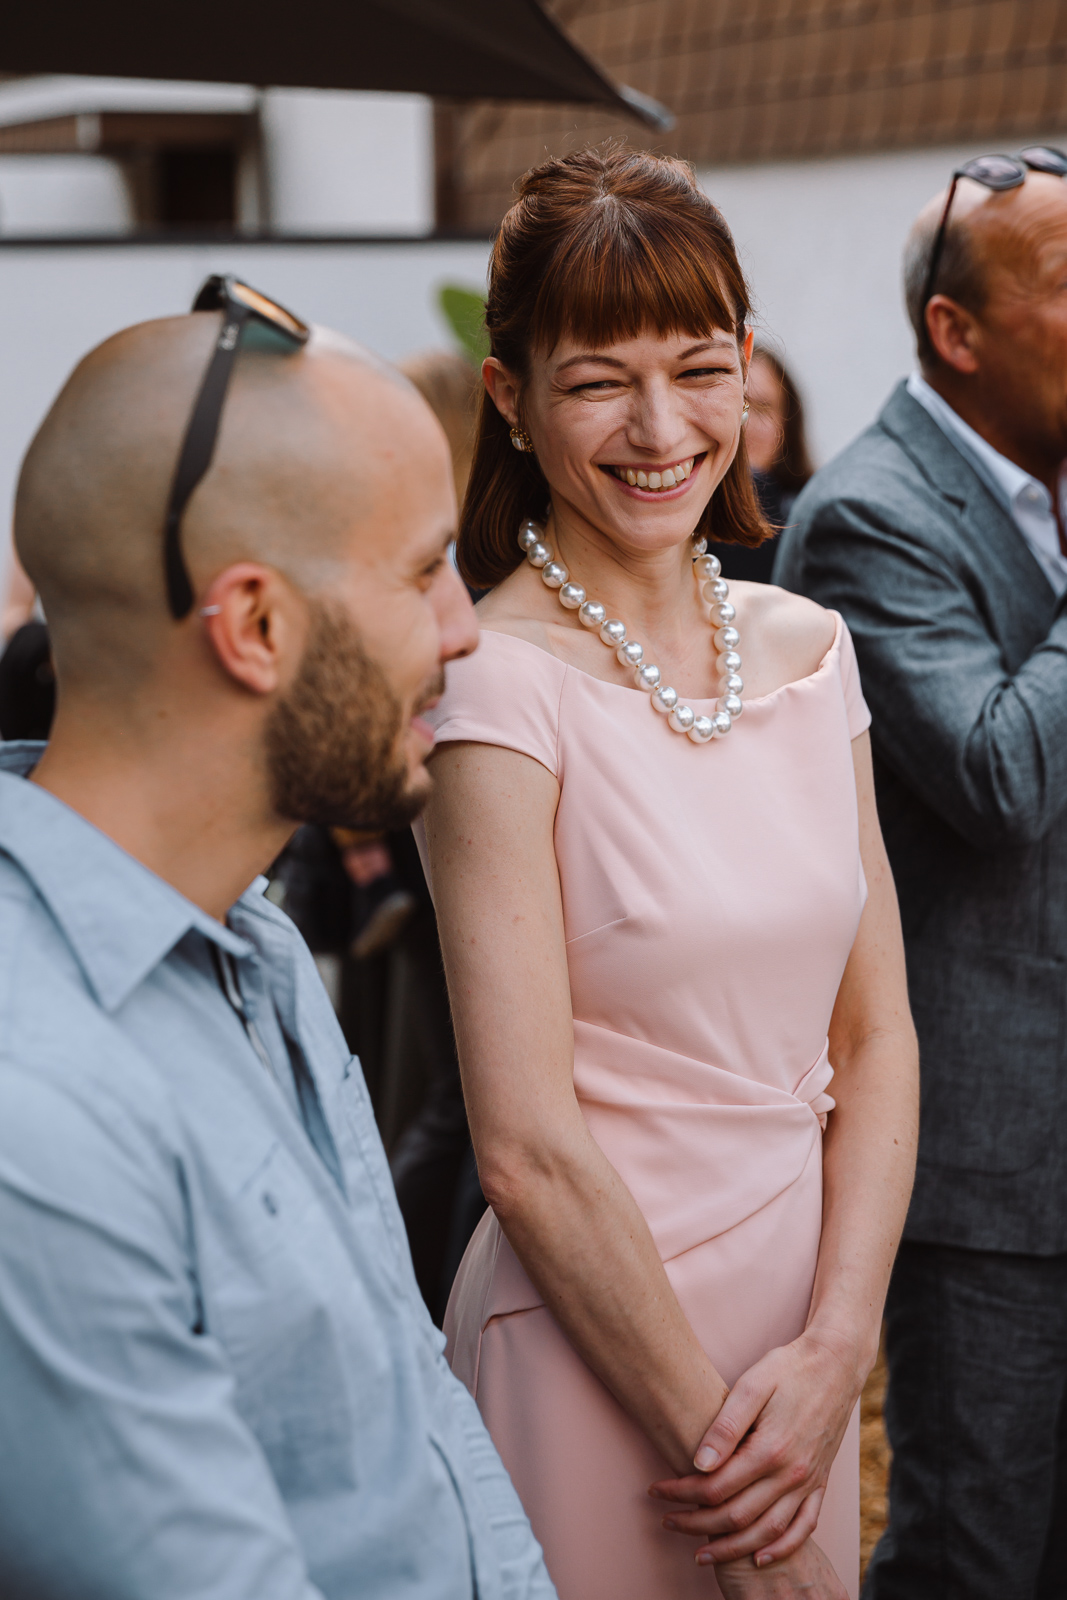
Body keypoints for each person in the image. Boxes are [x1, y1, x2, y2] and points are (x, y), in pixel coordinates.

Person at [0, 278, 555, 1600]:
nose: (464, 629)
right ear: (254, 627)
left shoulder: (254, 949)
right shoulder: (37, 1115)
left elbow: (421, 1408)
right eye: (421, 571)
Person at [419, 148, 918, 1600]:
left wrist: (836, 1352)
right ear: (510, 396)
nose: (659, 429)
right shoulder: (489, 682)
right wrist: (726, 1469)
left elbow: (876, 1036)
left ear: (745, 365)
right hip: (598, 1346)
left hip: (795, 1357)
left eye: (699, 371)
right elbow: (522, 1148)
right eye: (597, 383)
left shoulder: (810, 648)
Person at [773, 153, 1067, 1598]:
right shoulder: (867, 514)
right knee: (972, 1555)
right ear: (955, 330)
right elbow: (998, 779)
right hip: (990, 1159)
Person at [707, 347, 813, 584]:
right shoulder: (680, 518)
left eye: (762, 408)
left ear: (787, 425)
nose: (745, 424)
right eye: (737, 405)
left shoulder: (814, 519)